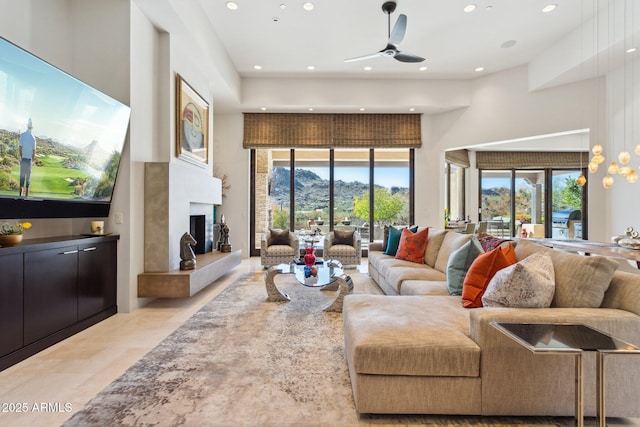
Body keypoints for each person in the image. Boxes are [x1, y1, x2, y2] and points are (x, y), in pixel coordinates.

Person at [19, 118, 36, 197]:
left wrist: (22, 157)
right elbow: (34, 152)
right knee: (28, 181)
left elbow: (20, 148)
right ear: (32, 127)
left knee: (22, 179)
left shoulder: (22, 135)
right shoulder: (33, 138)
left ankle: (20, 197)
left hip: (24, 160)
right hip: (29, 161)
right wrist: (32, 161)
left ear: (27, 126)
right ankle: (26, 198)